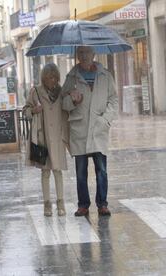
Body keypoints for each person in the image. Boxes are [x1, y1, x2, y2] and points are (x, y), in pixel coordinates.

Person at [62, 46, 118, 217]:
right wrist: (72, 100)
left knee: (102, 169)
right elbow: (63, 104)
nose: (84, 55)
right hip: (80, 130)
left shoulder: (105, 75)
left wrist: (105, 119)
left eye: (87, 52)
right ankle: (83, 205)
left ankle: (102, 204)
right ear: (77, 55)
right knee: (80, 172)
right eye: (80, 53)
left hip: (99, 129)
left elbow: (113, 100)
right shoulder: (71, 77)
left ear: (94, 54)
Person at [24, 63, 69, 217]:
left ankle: (61, 203)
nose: (53, 80)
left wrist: (74, 99)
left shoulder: (62, 92)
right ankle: (47, 205)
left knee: (58, 170)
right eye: (49, 77)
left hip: (57, 137)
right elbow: (26, 111)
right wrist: (33, 110)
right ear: (44, 78)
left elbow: (68, 108)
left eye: (55, 77)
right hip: (41, 137)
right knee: (45, 172)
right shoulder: (35, 92)